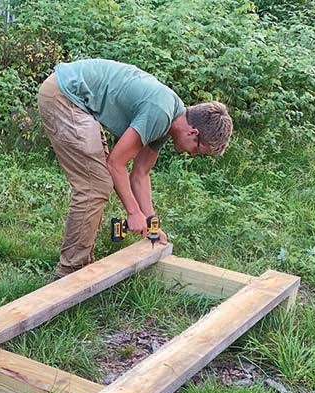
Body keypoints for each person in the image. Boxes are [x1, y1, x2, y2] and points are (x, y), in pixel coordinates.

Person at [37, 58, 234, 276]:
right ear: (193, 133)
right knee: (95, 185)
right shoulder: (160, 112)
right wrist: (133, 212)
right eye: (198, 150)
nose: (192, 154)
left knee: (99, 181)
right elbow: (116, 163)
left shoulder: (169, 120)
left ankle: (80, 261)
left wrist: (151, 224)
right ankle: (70, 272)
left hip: (73, 96)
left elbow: (140, 174)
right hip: (65, 96)